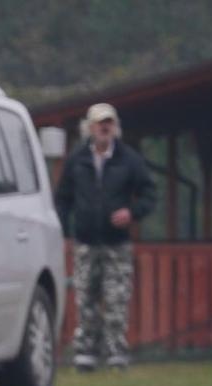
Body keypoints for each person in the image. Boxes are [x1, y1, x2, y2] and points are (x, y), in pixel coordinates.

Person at [53, 102, 157, 371]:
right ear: (90, 127)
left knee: (116, 299)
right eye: (100, 122)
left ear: (116, 126)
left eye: (109, 122)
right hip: (85, 241)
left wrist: (131, 213)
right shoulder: (77, 160)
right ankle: (86, 353)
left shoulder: (129, 159)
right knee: (85, 297)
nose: (105, 127)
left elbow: (149, 194)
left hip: (117, 243)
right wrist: (64, 232)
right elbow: (62, 199)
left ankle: (115, 353)